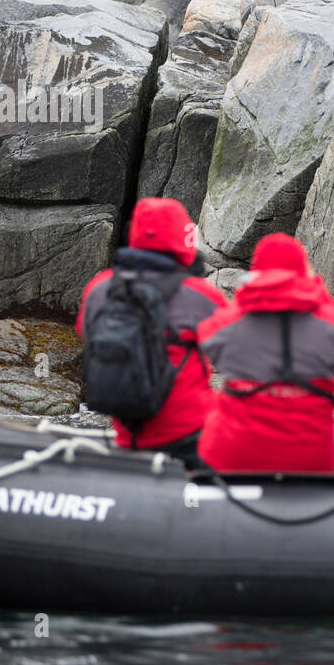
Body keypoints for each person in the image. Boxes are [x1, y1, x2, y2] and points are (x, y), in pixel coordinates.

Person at [76, 198, 228, 467]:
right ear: (183, 237)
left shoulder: (99, 289)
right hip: (191, 436)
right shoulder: (200, 294)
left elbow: (86, 335)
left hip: (127, 437)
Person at [195, 233, 334, 473]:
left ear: (256, 273)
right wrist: (317, 293)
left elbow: (207, 340)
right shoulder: (326, 320)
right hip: (309, 455)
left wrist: (245, 299)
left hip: (234, 452)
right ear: (303, 272)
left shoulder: (232, 320)